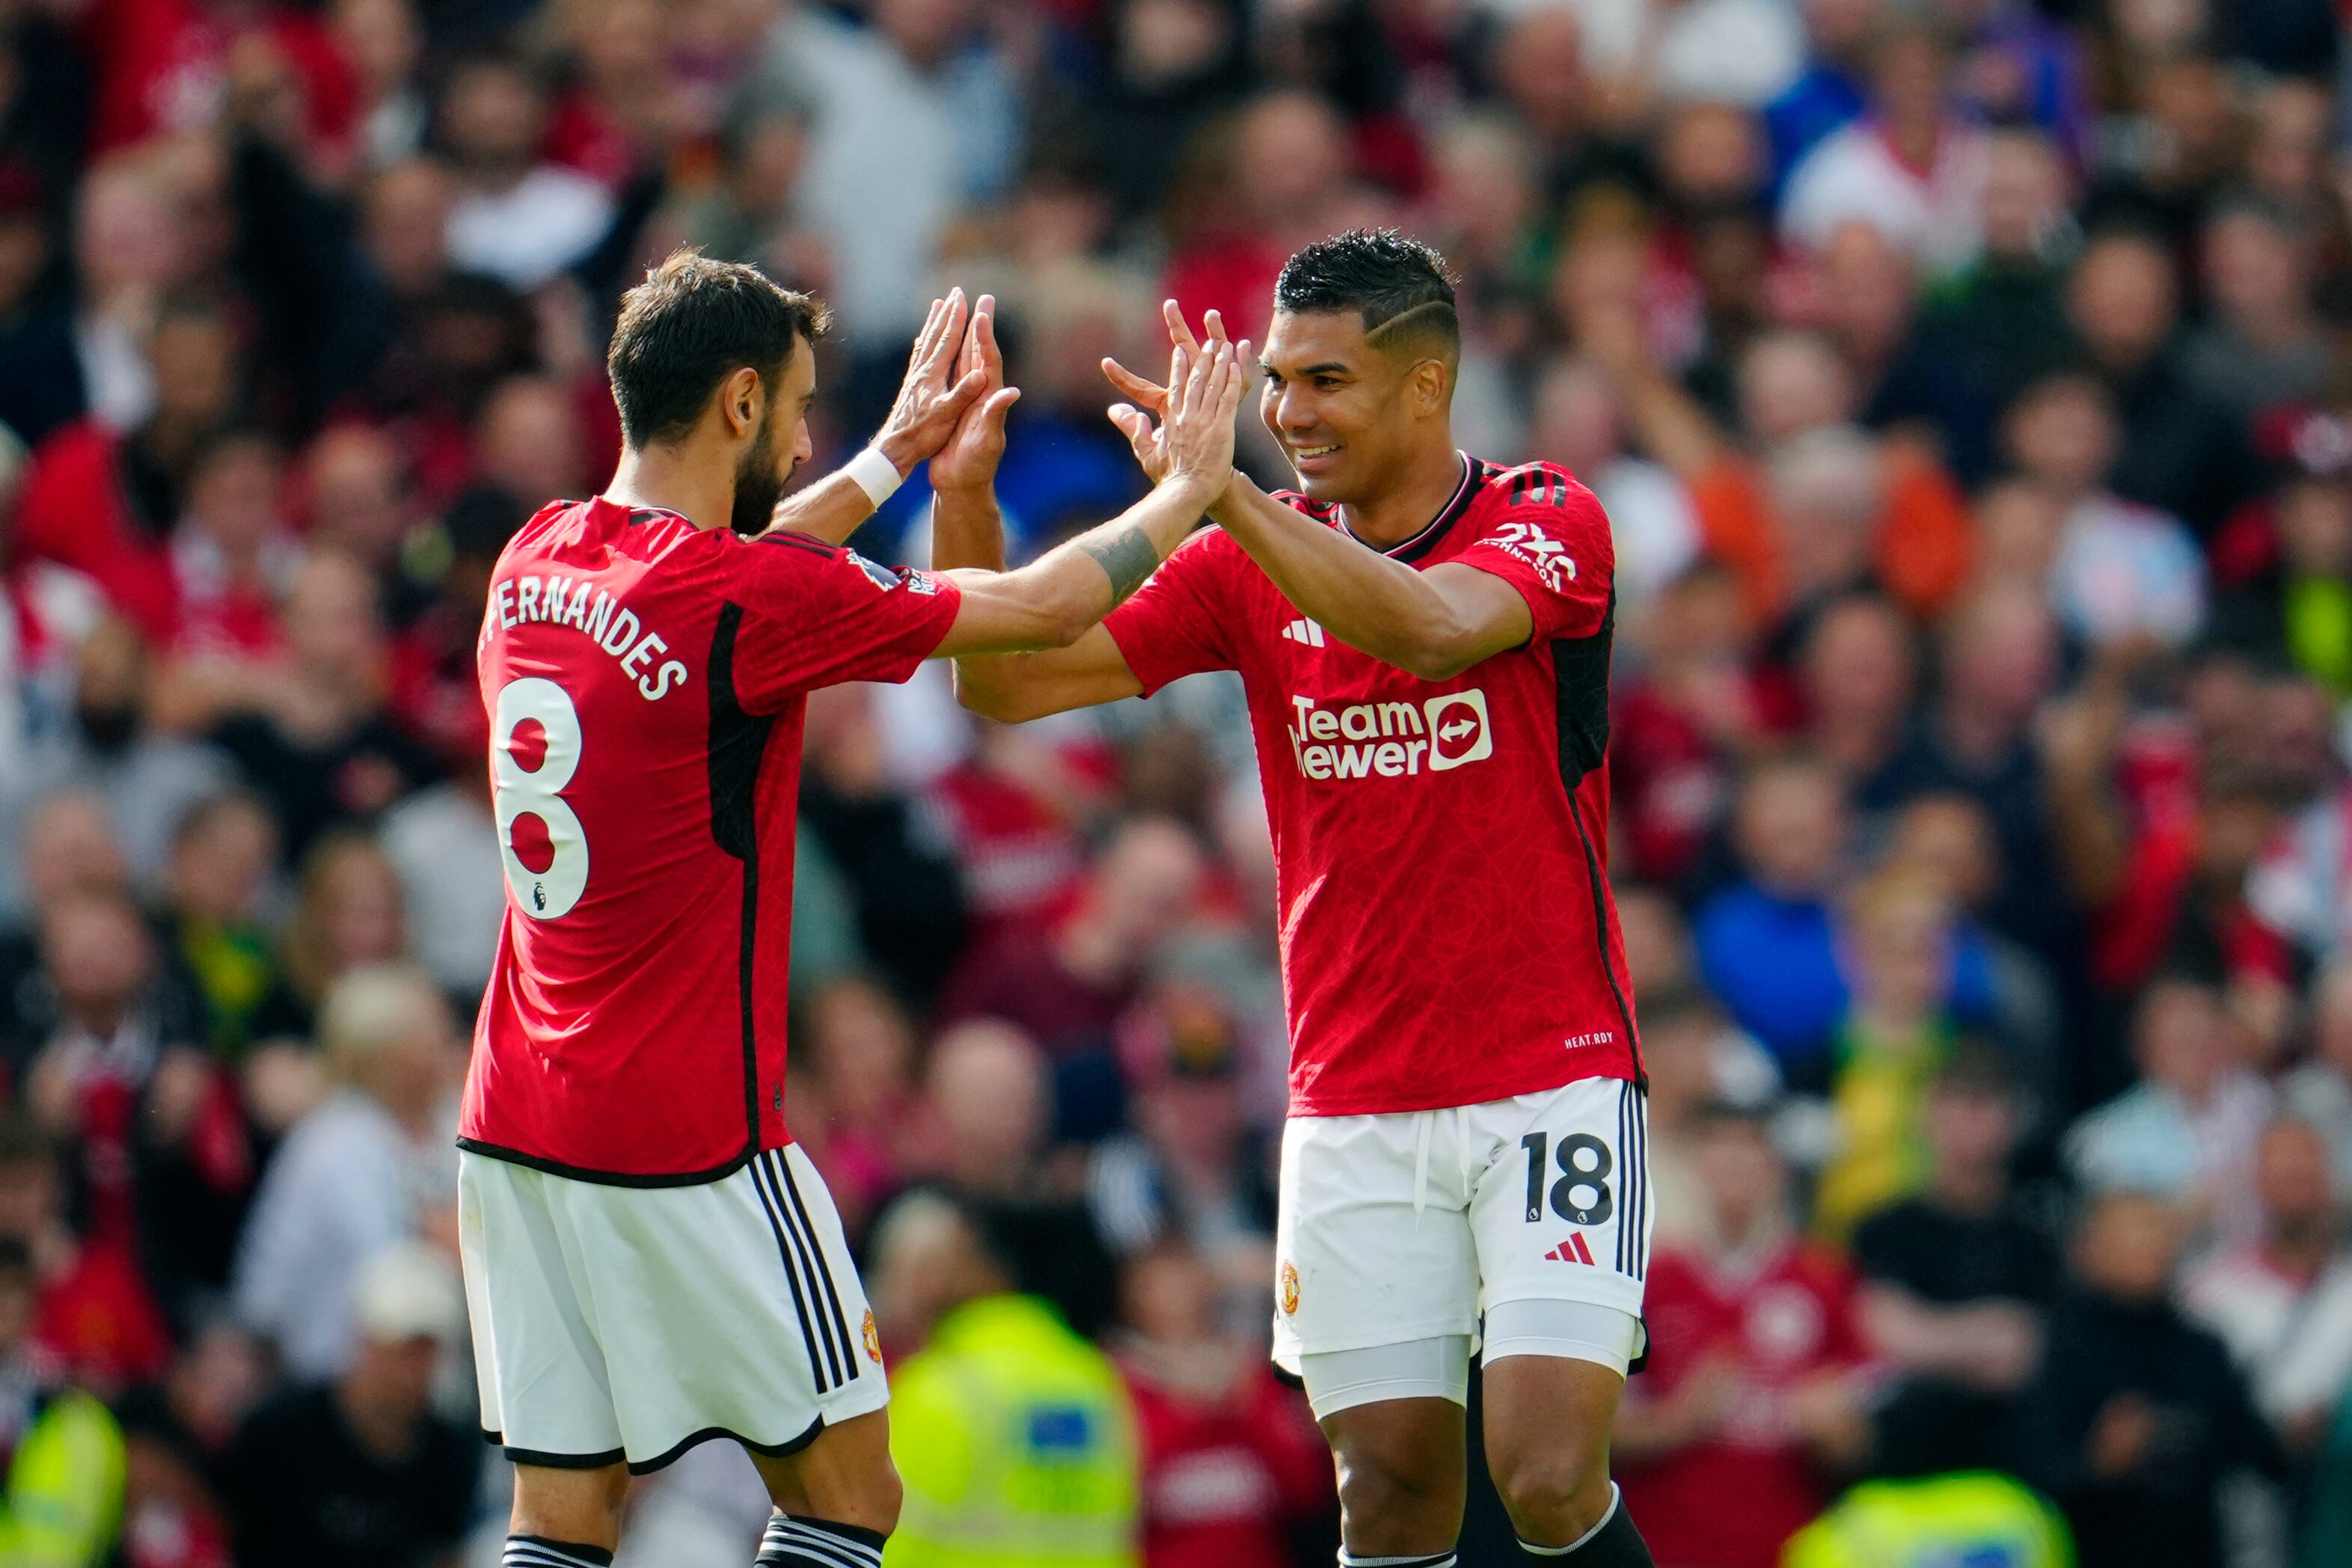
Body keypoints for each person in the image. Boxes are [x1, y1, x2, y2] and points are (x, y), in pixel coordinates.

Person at [456, 251, 1247, 1568]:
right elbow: (1044, 605)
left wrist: (888, 462)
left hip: (517, 1115)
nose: (813, 431)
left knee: (562, 1515)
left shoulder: (537, 556)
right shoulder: (743, 600)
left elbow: (728, 574)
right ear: (740, 404)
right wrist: (1187, 488)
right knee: (846, 1498)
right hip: (693, 1133)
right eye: (807, 406)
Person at [945, 230, 1655, 1567]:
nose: (1286, 413)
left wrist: (1226, 501)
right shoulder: (1242, 567)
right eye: (1274, 380)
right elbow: (1005, 685)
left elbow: (1429, 628)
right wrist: (964, 500)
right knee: (1383, 1494)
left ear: (1426, 385)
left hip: (1548, 1077)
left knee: (1546, 1475)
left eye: (1322, 380)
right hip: (1353, 1099)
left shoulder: (1548, 517)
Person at [866, 1192, 1139, 1568]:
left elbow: (882, 1539)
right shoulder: (1096, 1381)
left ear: (989, 1271)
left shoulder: (939, 1388)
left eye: (955, 1255)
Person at [221, 1242, 476, 1568]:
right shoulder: (277, 1432)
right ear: (362, 1338)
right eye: (401, 1347)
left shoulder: (450, 1456)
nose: (411, 1370)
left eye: (426, 1351)